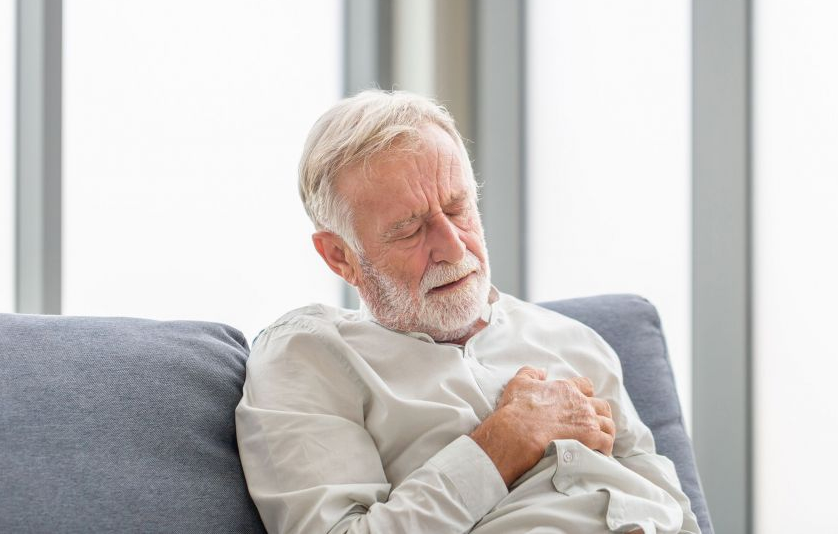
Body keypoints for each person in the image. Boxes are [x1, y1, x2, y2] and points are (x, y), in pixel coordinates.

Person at [235, 90, 700, 534]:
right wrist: (505, 440)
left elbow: (677, 513)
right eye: (410, 230)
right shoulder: (310, 355)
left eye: (458, 209)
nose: (453, 247)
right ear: (340, 256)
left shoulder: (576, 342)